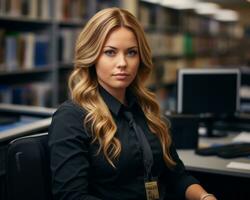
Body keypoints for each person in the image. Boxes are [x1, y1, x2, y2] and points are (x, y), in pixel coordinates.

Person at [48, 7, 217, 200]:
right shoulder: (71, 117)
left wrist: (204, 197)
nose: (122, 63)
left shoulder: (147, 110)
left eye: (131, 53)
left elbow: (177, 176)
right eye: (110, 52)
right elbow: (71, 196)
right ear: (92, 56)